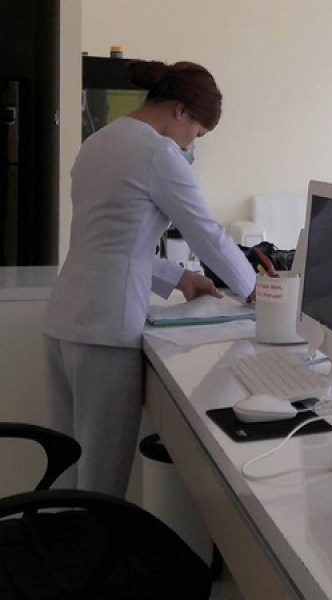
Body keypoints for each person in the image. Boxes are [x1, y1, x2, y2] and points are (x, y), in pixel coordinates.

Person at [43, 60, 256, 497]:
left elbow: (109, 241)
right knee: (101, 484)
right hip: (105, 330)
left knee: (66, 471)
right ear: (180, 111)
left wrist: (179, 278)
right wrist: (256, 289)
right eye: (197, 132)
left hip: (61, 320)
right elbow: (207, 234)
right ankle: (90, 546)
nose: (191, 143)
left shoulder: (98, 141)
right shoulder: (159, 154)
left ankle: (56, 540)